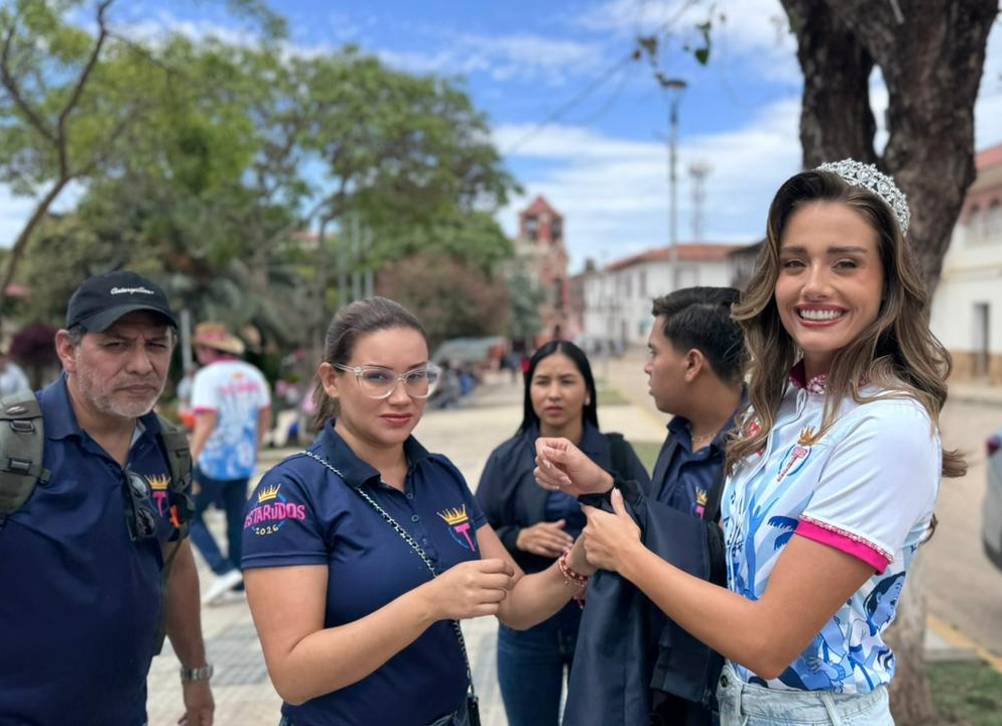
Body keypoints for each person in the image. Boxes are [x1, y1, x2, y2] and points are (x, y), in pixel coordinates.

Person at [541, 161, 964, 725]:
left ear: (887, 280)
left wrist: (631, 558)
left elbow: (768, 641)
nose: (814, 285)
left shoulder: (886, 426)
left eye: (846, 263)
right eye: (795, 263)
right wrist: (607, 489)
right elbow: (724, 553)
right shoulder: (783, 403)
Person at [240, 296, 599, 726]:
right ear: (331, 380)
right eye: (376, 377)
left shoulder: (439, 475)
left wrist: (578, 560)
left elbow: (516, 603)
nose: (401, 397)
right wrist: (431, 602)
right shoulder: (292, 492)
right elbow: (295, 675)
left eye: (417, 377)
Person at [0, 271, 215, 725]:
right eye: (116, 345)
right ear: (67, 350)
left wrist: (196, 676)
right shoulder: (12, 446)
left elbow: (175, 561)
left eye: (156, 345)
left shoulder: (167, 450)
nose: (141, 364)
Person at [533, 287, 746, 725]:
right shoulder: (679, 438)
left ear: (691, 364)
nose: (646, 366)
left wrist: (623, 552)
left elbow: (721, 563)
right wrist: (602, 487)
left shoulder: (756, 451)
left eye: (653, 352)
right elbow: (661, 532)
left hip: (715, 690)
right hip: (661, 676)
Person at [475, 340, 650, 726]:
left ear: (588, 391)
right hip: (529, 627)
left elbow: (650, 523)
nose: (554, 393)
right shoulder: (505, 459)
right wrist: (518, 537)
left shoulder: (616, 453)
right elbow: (474, 535)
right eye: (542, 382)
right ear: (529, 390)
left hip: (603, 623)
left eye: (567, 381)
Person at [187, 321, 273, 604]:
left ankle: (222, 569)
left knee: (188, 515)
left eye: (199, 348)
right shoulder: (253, 374)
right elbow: (264, 415)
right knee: (236, 519)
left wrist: (189, 459)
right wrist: (254, 447)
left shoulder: (207, 377)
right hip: (242, 460)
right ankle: (238, 577)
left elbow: (207, 420)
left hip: (213, 459)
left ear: (208, 349)